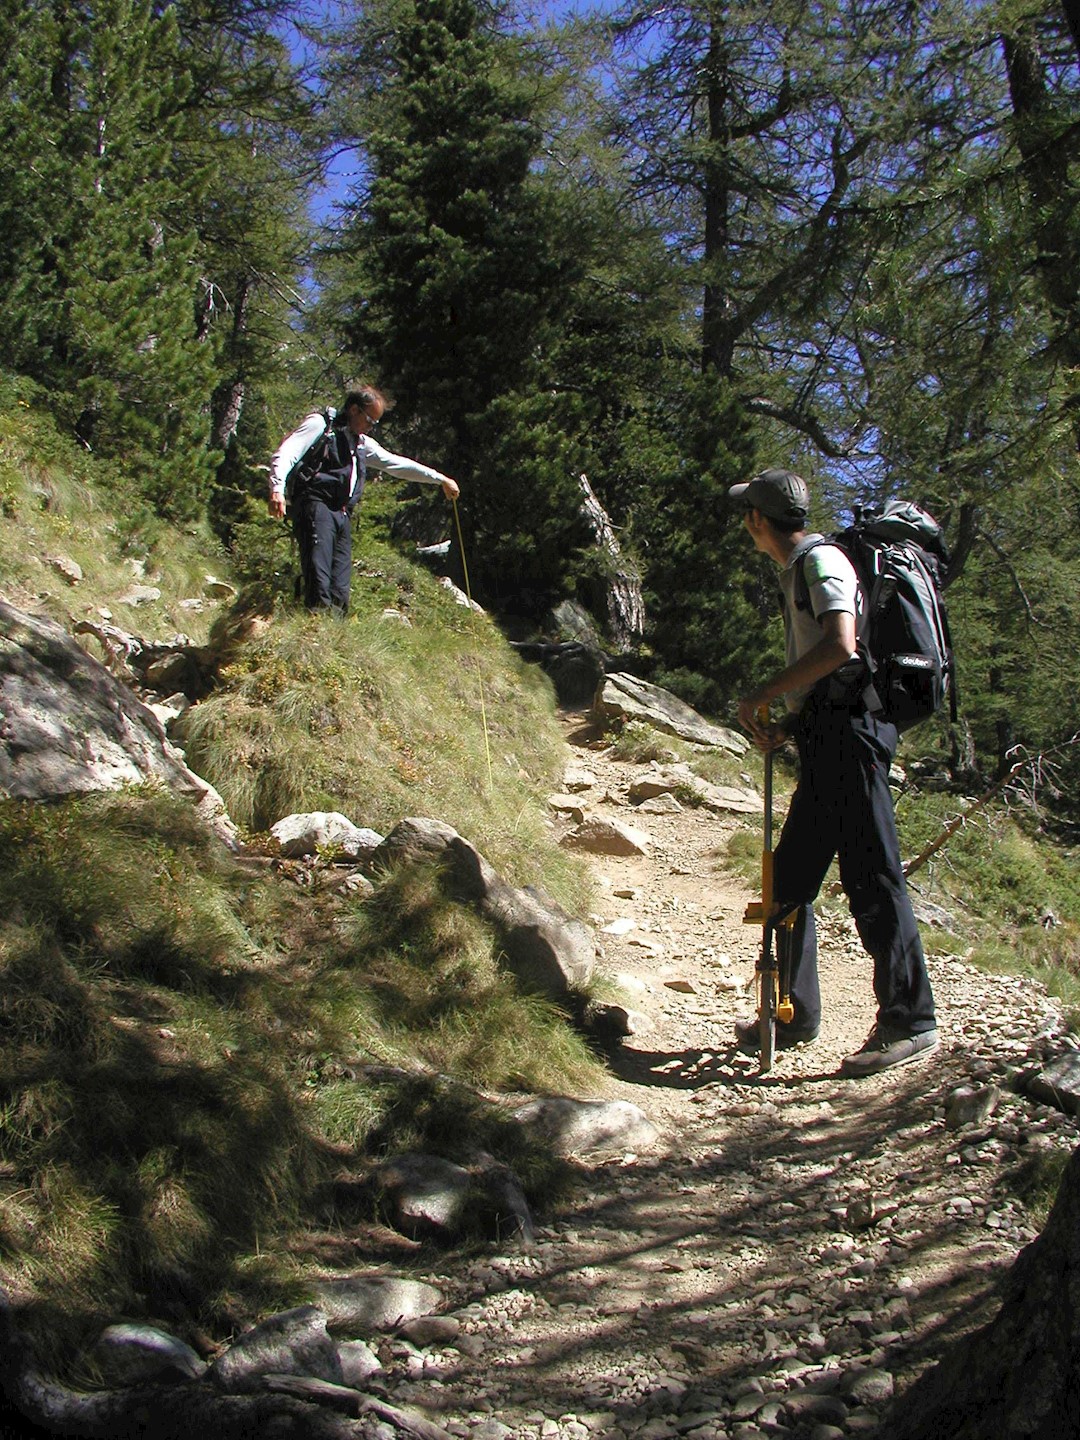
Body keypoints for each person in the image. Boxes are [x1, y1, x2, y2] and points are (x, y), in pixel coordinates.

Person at [728, 467, 939, 1078]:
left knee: (872, 874)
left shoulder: (821, 564)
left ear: (758, 521)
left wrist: (761, 694)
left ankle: (910, 1018)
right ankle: (794, 1012)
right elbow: (833, 671)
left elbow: (843, 648)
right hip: (830, 733)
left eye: (748, 513)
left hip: (853, 736)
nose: (746, 522)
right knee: (791, 876)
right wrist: (793, 723)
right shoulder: (804, 569)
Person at [268, 384, 460, 614]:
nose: (371, 427)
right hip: (316, 505)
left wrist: (440, 479)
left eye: (375, 423)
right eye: (370, 420)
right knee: (318, 578)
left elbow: (395, 464)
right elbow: (288, 451)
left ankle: (333, 633)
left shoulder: (361, 443)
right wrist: (277, 488)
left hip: (342, 514)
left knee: (340, 587)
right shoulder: (321, 426)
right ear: (354, 409)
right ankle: (315, 631)